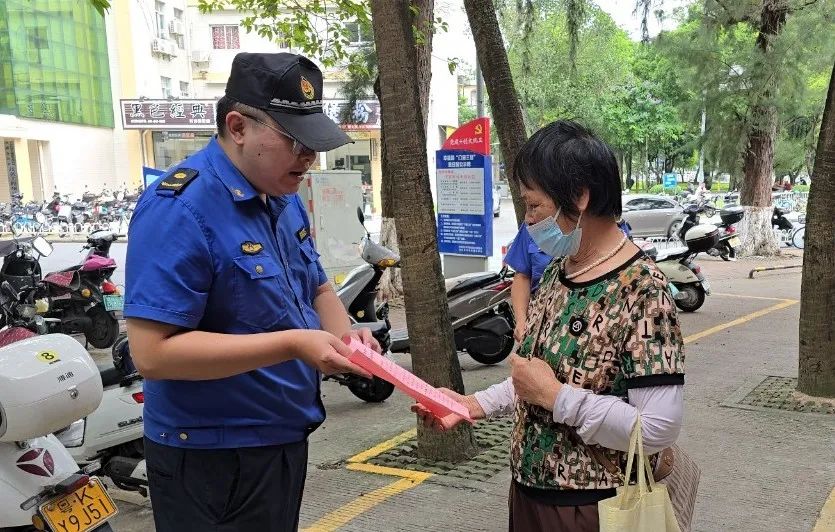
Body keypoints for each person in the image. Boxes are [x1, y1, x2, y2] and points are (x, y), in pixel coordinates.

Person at [124, 52, 379, 532]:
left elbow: (317, 283)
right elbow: (153, 355)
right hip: (211, 457)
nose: (310, 158)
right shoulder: (180, 209)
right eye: (295, 141)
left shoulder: (280, 194)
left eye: (314, 144)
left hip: (280, 437)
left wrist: (345, 337)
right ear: (238, 127)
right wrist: (292, 344)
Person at [414, 120, 685, 532]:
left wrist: (559, 398)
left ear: (578, 197)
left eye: (534, 205)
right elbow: (532, 375)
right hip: (529, 494)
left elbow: (658, 427)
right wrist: (473, 406)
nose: (528, 221)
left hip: (595, 508)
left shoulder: (643, 291)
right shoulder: (560, 271)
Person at [504, 224, 553, 342]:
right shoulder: (532, 225)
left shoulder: (592, 223)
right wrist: (521, 322)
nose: (528, 217)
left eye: (535, 205)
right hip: (538, 324)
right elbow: (522, 276)